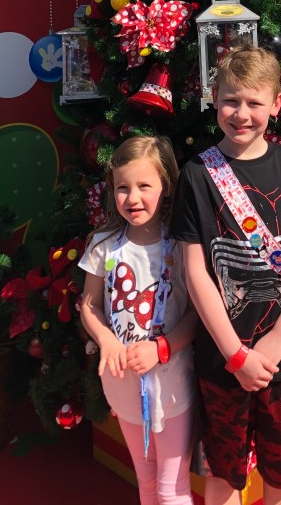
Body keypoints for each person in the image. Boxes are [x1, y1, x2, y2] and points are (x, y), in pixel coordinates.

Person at [170, 47, 281, 505]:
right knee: (223, 475)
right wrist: (235, 354)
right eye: (231, 100)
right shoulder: (197, 175)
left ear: (276, 104)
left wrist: (277, 341)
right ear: (214, 97)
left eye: (254, 103)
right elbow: (196, 271)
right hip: (222, 361)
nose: (241, 114)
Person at [80, 135, 197, 505]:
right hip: (124, 387)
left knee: (171, 489)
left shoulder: (181, 247)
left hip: (173, 386)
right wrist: (106, 340)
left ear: (166, 186)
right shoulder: (103, 245)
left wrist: (162, 348)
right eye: (123, 188)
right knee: (145, 483)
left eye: (144, 186)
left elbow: (196, 314)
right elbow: (89, 305)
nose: (133, 198)